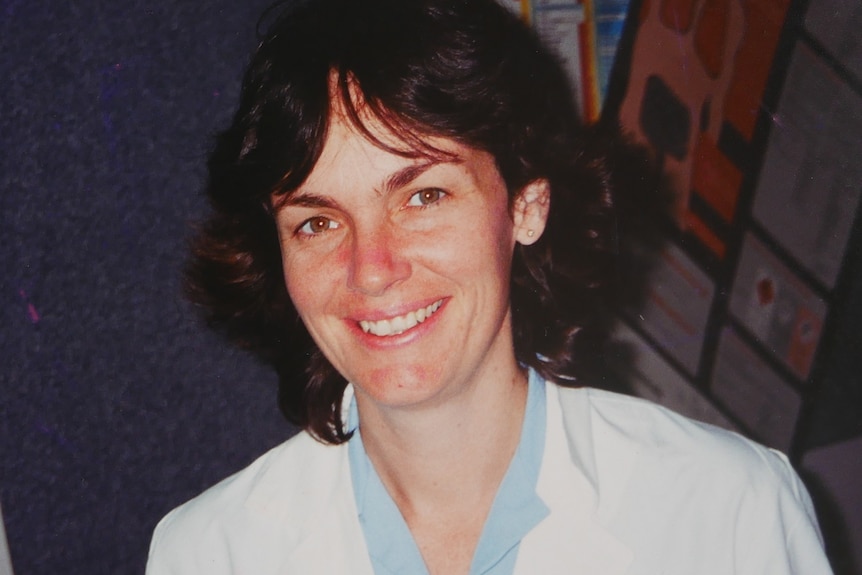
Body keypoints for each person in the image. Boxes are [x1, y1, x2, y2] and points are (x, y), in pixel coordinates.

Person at [146, 0, 833, 573]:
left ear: (527, 205)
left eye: (423, 196)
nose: (372, 267)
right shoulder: (208, 553)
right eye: (318, 222)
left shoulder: (729, 514)